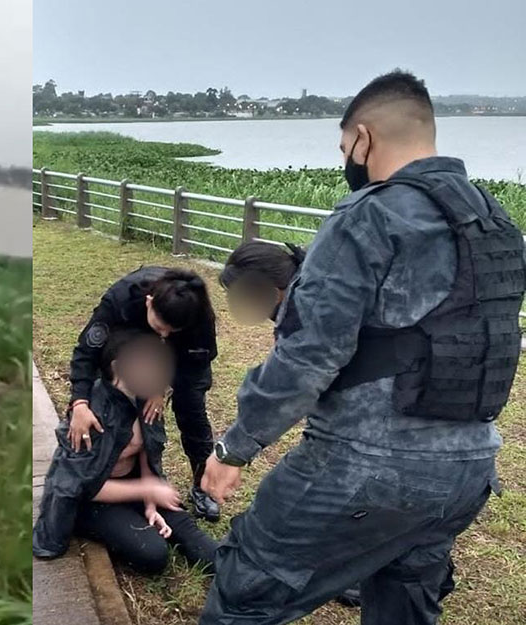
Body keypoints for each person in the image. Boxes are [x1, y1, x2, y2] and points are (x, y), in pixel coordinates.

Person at [199, 71, 524, 624]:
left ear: (363, 138)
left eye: (345, 146)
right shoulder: (495, 220)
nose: (347, 159)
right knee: (404, 603)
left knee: (243, 591)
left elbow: (307, 355)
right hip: (469, 470)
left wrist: (234, 449)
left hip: (365, 467)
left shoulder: (367, 216)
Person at [33, 329, 218, 575]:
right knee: (153, 555)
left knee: (197, 541)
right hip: (91, 499)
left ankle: (246, 583)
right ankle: (98, 523)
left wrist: (151, 503)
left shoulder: (148, 399)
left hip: (134, 485)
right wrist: (145, 491)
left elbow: (147, 452)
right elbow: (79, 484)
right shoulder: (89, 413)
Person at [66, 267, 221, 522]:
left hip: (182, 356)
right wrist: (79, 402)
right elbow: (86, 352)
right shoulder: (120, 299)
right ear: (149, 302)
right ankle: (98, 471)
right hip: (131, 344)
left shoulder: (197, 315)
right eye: (160, 326)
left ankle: (204, 487)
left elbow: (196, 362)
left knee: (192, 408)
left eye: (172, 330)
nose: (164, 335)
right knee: (100, 400)